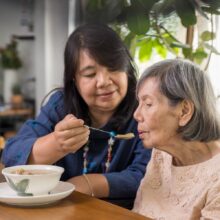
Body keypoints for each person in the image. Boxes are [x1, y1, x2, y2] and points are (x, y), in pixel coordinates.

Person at [2, 23, 151, 209]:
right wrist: (56, 144)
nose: (104, 82)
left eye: (113, 68)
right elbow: (11, 153)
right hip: (60, 211)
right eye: (90, 74)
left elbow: (147, 175)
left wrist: (85, 183)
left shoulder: (144, 109)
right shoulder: (60, 105)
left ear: (127, 68)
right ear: (74, 79)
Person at [132, 59, 220, 219]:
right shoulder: (161, 155)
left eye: (148, 104)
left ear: (184, 111)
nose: (136, 115)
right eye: (139, 103)